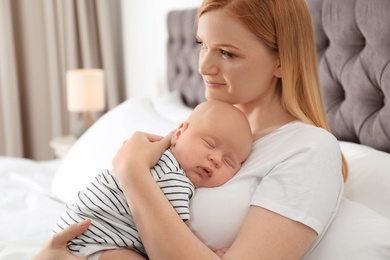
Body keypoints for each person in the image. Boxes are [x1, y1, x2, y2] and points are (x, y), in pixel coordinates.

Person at [35, 0, 348, 259]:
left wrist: (132, 172)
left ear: (282, 61)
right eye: (203, 45)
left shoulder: (309, 150)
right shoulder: (208, 128)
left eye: (227, 53)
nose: (204, 67)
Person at [51, 100, 253, 260]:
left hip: (75, 234)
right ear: (179, 132)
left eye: (229, 162)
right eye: (209, 144)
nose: (216, 160)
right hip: (96, 239)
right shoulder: (172, 176)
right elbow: (173, 239)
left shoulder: (150, 158)